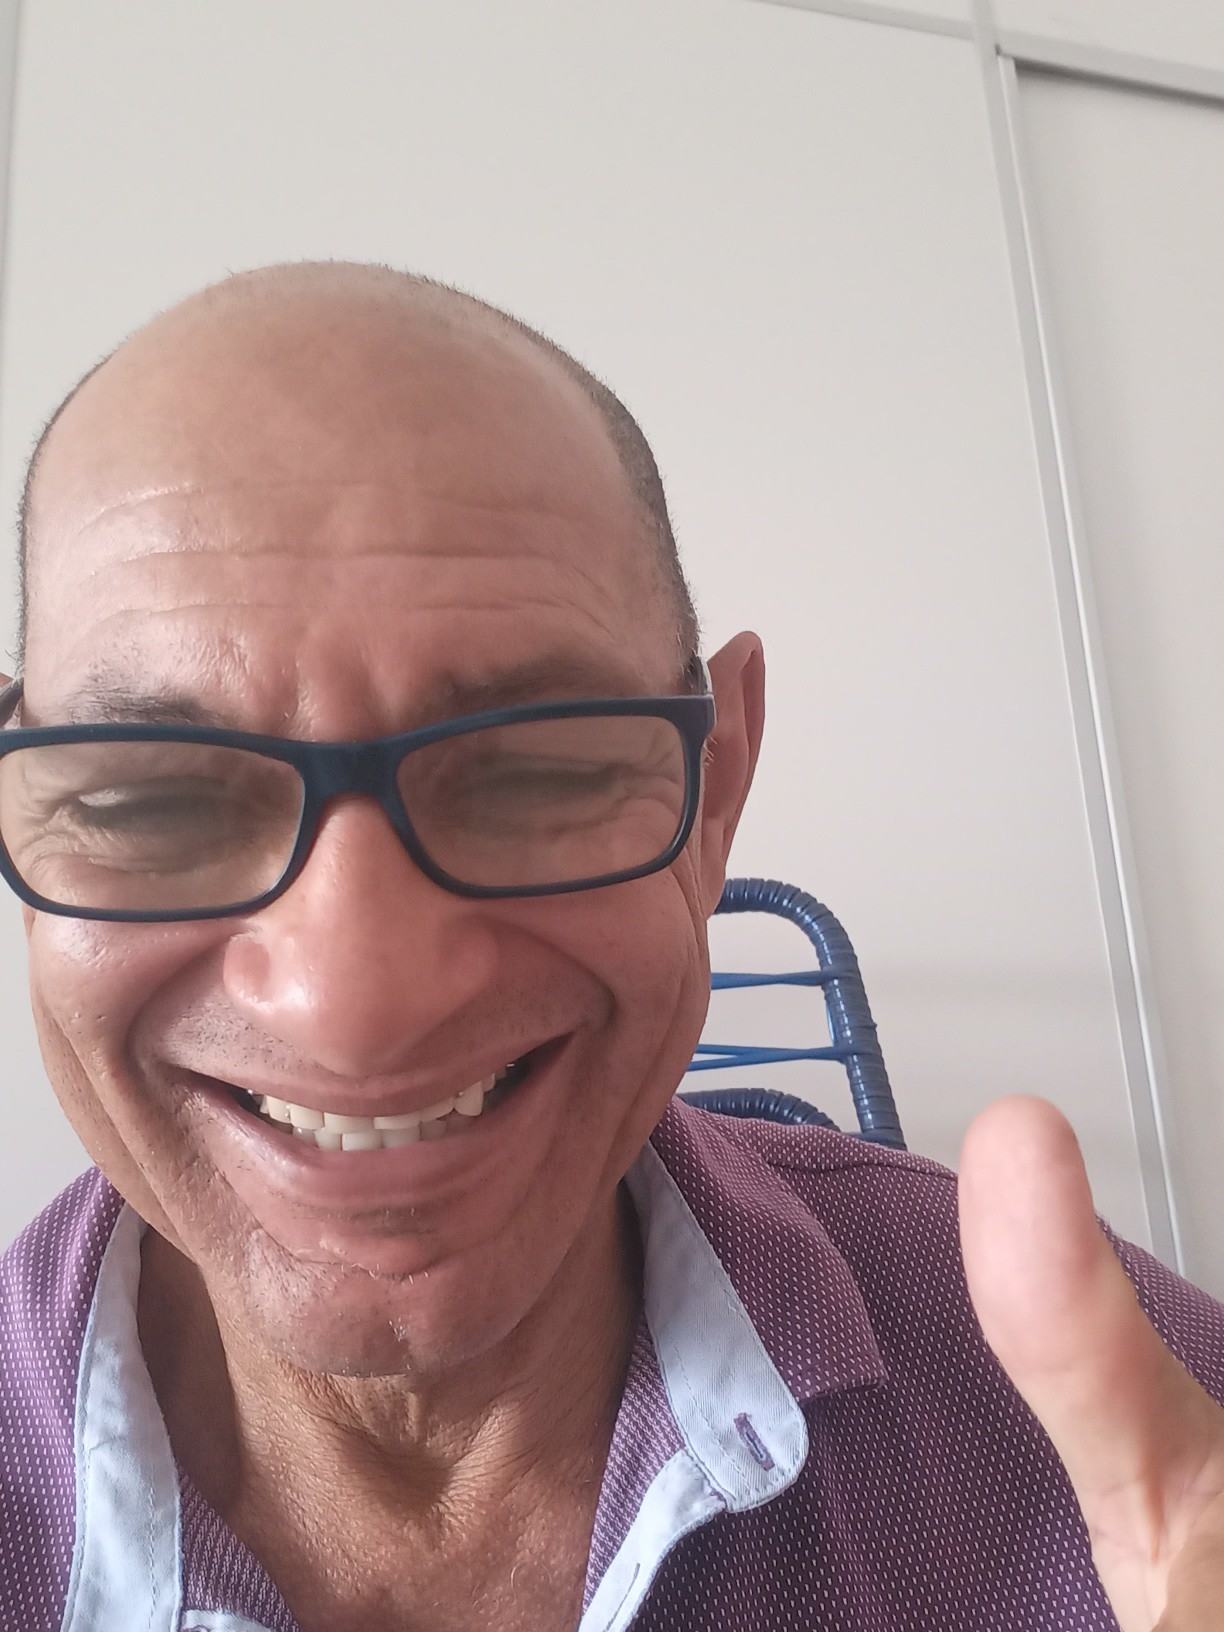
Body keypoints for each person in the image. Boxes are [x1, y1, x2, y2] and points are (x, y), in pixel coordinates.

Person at [0, 262, 1220, 1632]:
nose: (357, 1007)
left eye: (537, 771)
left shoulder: (1148, 1444)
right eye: (152, 799)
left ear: (717, 794)